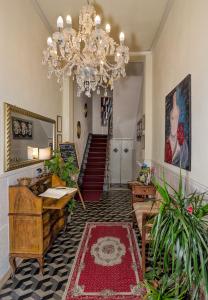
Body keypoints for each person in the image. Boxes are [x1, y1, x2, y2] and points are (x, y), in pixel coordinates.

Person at [165, 91, 189, 169]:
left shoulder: (184, 146)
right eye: (172, 118)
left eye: (177, 118)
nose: (175, 122)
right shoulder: (166, 142)